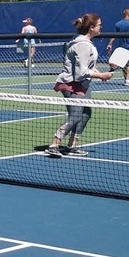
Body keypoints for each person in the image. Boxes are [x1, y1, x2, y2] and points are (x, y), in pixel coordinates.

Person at [45, 13, 114, 157]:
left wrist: (99, 73)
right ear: (91, 27)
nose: (101, 27)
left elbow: (86, 66)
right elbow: (81, 72)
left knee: (85, 113)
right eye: (99, 25)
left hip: (83, 84)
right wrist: (101, 75)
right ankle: (54, 144)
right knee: (76, 115)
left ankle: (71, 146)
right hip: (71, 83)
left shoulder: (87, 43)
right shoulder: (82, 45)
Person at [107, 7, 129, 86]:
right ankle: (127, 81)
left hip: (122, 47)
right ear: (128, 14)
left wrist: (110, 43)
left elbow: (114, 35)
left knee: (123, 64)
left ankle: (109, 76)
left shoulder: (118, 24)